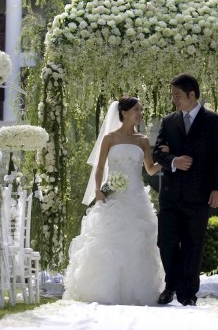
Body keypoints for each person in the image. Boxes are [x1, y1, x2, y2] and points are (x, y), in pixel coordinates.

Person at [63, 95, 165, 305]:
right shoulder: (109, 138)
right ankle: (103, 291)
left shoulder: (143, 140)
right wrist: (99, 190)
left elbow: (150, 170)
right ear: (124, 113)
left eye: (141, 110)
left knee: (137, 242)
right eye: (136, 110)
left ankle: (136, 292)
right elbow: (100, 167)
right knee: (109, 243)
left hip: (136, 198)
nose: (140, 114)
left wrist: (165, 158)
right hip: (114, 197)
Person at [153, 73, 218, 306]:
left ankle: (188, 294)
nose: (174, 99)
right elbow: (157, 153)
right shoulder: (168, 121)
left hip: (200, 194)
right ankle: (171, 285)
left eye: (177, 95)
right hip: (170, 195)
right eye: (173, 95)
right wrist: (174, 160)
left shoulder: (213, 121)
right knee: (165, 242)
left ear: (191, 94)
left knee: (193, 244)